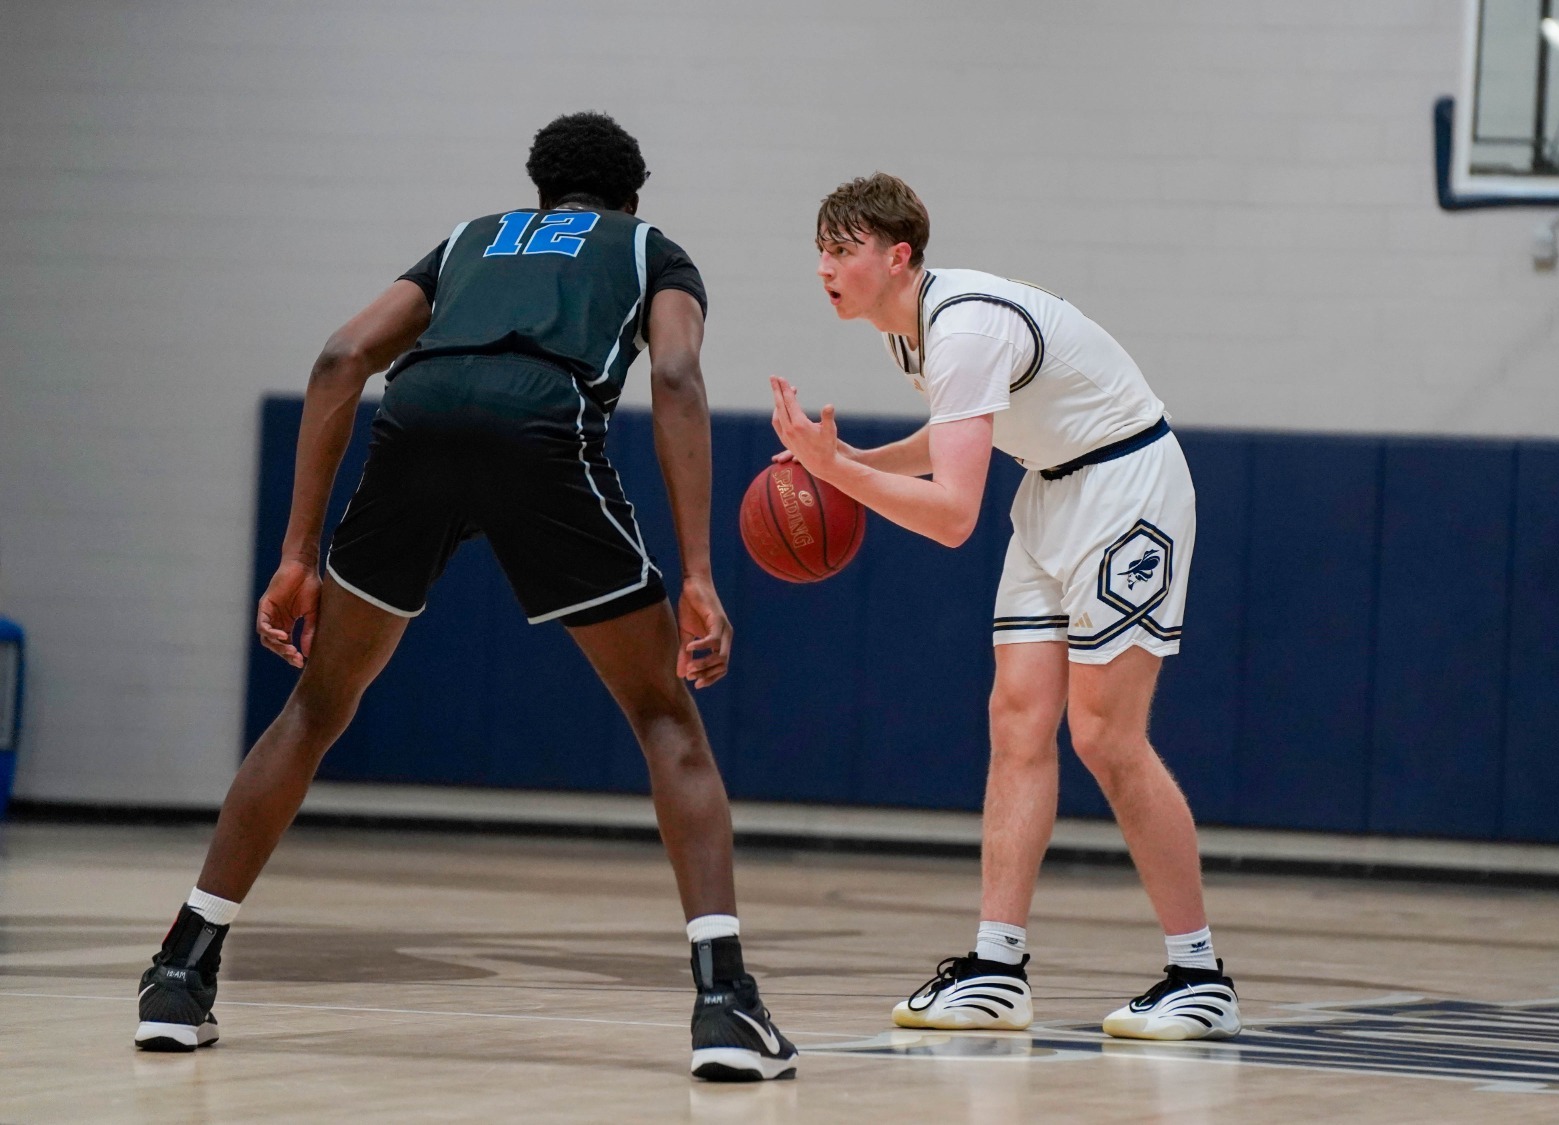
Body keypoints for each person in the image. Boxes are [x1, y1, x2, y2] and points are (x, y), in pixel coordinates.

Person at [134, 112, 798, 1082]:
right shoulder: (649, 248)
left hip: (416, 419)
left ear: (540, 191)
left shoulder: (471, 240)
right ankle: (722, 1003)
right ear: (631, 196)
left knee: (315, 708)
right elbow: (676, 371)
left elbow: (338, 358)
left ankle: (179, 975)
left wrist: (296, 553)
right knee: (664, 716)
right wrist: (697, 574)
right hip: (543, 430)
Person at [768, 173, 1239, 1040]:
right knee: (1016, 719)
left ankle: (1201, 974)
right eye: (820, 253)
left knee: (1104, 734)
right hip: (1054, 490)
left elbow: (952, 517)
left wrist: (838, 473)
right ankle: (996, 967)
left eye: (843, 251)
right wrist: (852, 455)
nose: (826, 268)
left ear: (897, 255)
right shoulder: (909, 334)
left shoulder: (963, 326)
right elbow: (957, 433)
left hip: (1126, 486)